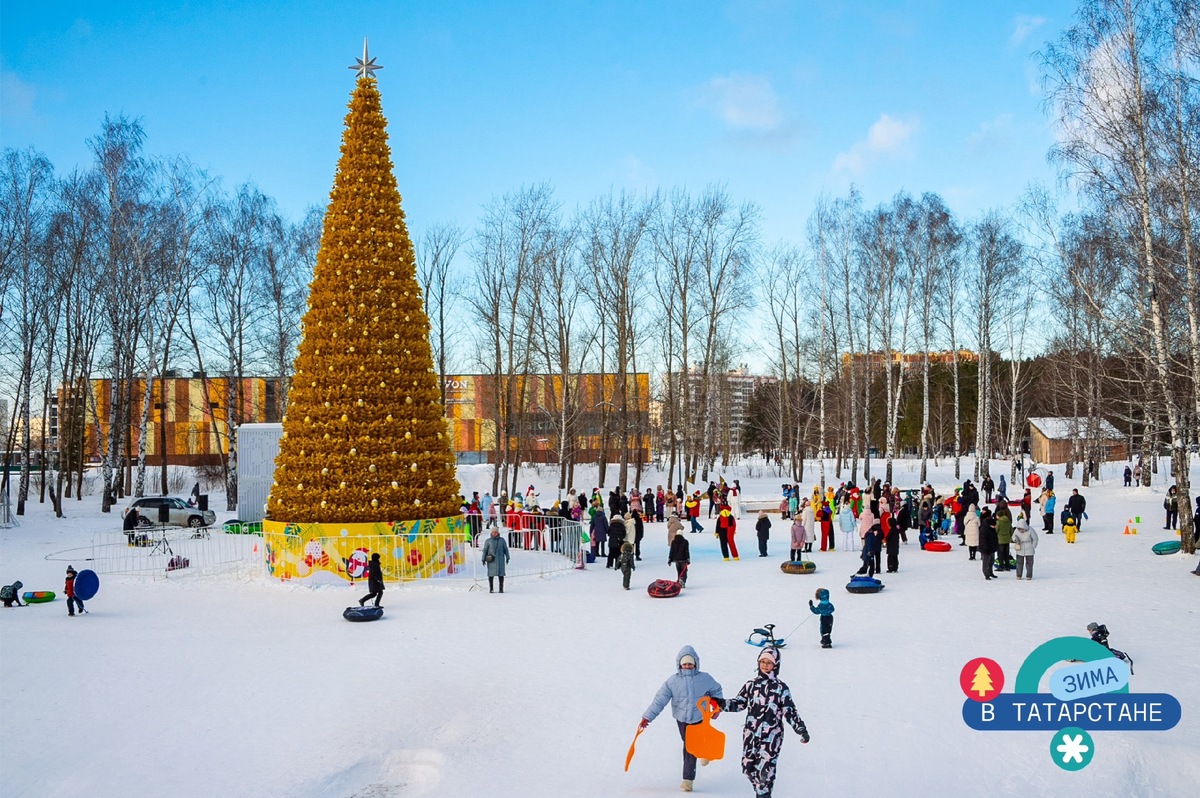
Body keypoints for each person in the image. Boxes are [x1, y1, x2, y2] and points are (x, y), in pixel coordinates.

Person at [715, 647, 809, 798]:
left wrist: (801, 729)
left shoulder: (781, 688)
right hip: (751, 734)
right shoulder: (751, 685)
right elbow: (739, 703)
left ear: (776, 665)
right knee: (748, 768)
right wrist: (720, 703)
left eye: (769, 663)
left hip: (772, 736)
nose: (765, 665)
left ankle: (763, 794)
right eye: (762, 662)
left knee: (765, 771)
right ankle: (761, 790)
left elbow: (789, 711)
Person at [639, 646, 724, 793]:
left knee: (690, 747)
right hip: (682, 719)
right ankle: (702, 752)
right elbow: (659, 701)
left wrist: (717, 707)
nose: (687, 666)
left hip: (699, 716)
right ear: (679, 664)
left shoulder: (705, 678)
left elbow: (716, 690)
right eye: (684, 664)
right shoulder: (672, 682)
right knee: (690, 744)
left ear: (696, 663)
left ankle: (688, 780)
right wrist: (647, 717)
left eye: (690, 663)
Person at [1012, 514, 1038, 580]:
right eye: (1020, 528)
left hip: (1029, 549)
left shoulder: (1030, 530)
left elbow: (1035, 538)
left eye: (1022, 528)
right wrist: (1016, 539)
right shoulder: (1016, 531)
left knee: (1029, 564)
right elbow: (1013, 537)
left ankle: (1029, 576)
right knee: (1019, 563)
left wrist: (1033, 546)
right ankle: (1019, 575)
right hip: (1020, 549)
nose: (1021, 530)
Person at [979, 508, 998, 580]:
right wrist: (985, 548)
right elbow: (983, 540)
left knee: (991, 561)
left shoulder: (991, 529)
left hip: (991, 547)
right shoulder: (984, 529)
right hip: (986, 548)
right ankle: (986, 574)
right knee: (986, 562)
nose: (994, 527)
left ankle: (990, 572)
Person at [995, 508, 1013, 573]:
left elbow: (996, 530)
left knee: (1000, 554)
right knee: (1006, 553)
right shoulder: (1008, 521)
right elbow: (1011, 530)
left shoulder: (999, 522)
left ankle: (1001, 566)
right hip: (1007, 539)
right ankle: (1008, 566)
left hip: (1000, 540)